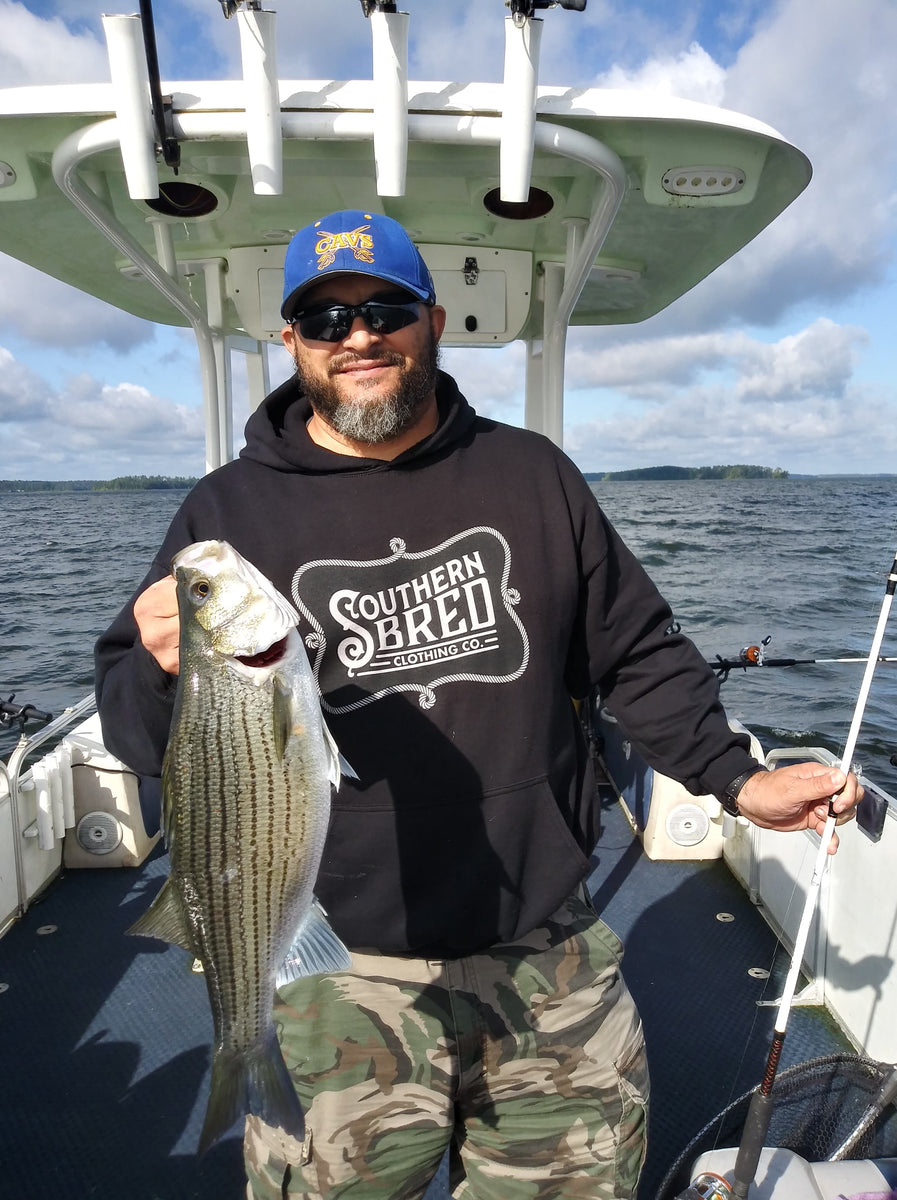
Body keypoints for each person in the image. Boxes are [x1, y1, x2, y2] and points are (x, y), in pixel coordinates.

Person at [94, 209, 861, 1200]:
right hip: (336, 964)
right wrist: (164, 670)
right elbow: (137, 729)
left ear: (435, 322)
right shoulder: (226, 511)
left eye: (386, 310)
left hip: (547, 950)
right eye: (325, 319)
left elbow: (635, 652)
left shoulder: (531, 474)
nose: (358, 336)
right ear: (291, 342)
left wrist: (737, 780)